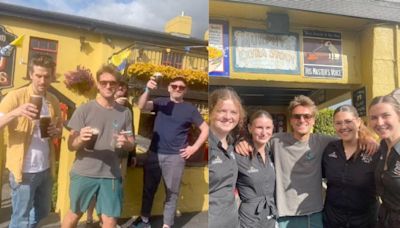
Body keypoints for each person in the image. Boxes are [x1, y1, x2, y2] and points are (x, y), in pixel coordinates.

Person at [236, 95, 378, 228]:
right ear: (291, 120)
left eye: (307, 116)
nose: (302, 120)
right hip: (285, 217)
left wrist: (367, 137)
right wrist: (243, 141)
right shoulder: (276, 141)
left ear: (313, 120)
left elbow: (349, 138)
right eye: (297, 116)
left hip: (316, 215)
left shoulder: (324, 142)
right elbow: (258, 141)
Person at [61, 64, 135, 228]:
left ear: (117, 85)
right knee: (75, 214)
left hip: (111, 174)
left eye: (112, 83)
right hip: (84, 172)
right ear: (98, 84)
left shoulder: (125, 112)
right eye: (104, 82)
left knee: (110, 220)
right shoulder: (84, 110)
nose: (108, 86)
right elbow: (71, 145)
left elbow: (131, 142)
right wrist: (80, 138)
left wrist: (126, 143)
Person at [131, 75, 208, 228]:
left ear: (185, 90)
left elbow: (205, 129)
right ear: (169, 88)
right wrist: (147, 89)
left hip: (175, 158)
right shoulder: (161, 102)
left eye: (181, 87)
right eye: (174, 86)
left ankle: (167, 224)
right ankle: (145, 220)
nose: (177, 89)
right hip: (154, 153)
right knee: (148, 189)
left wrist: (194, 147)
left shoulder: (190, 109)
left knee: (171, 193)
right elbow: (141, 106)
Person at [0, 54, 62, 227]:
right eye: (38, 76)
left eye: (47, 76)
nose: (43, 81)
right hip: (23, 170)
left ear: (52, 77)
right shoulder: (15, 97)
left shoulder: (53, 100)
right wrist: (16, 112)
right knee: (21, 216)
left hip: (45, 168)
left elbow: (58, 130)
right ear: (30, 74)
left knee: (42, 211)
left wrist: (55, 131)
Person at [322, 105, 380, 228]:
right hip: (333, 221)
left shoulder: (374, 151)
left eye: (348, 121)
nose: (343, 127)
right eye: (338, 123)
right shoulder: (330, 149)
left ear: (358, 122)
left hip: (365, 222)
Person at [208, 87, 245, 228]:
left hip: (232, 222)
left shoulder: (231, 144)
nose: (228, 117)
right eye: (222, 110)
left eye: (234, 112)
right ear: (211, 111)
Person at [236, 110, 277, 228]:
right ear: (250, 128)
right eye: (259, 127)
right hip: (249, 220)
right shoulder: (239, 155)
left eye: (268, 127)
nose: (264, 132)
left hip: (270, 217)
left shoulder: (271, 154)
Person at [369, 89, 400, 228]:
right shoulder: (381, 147)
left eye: (385, 115)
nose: (379, 122)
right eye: (374, 117)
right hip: (384, 220)